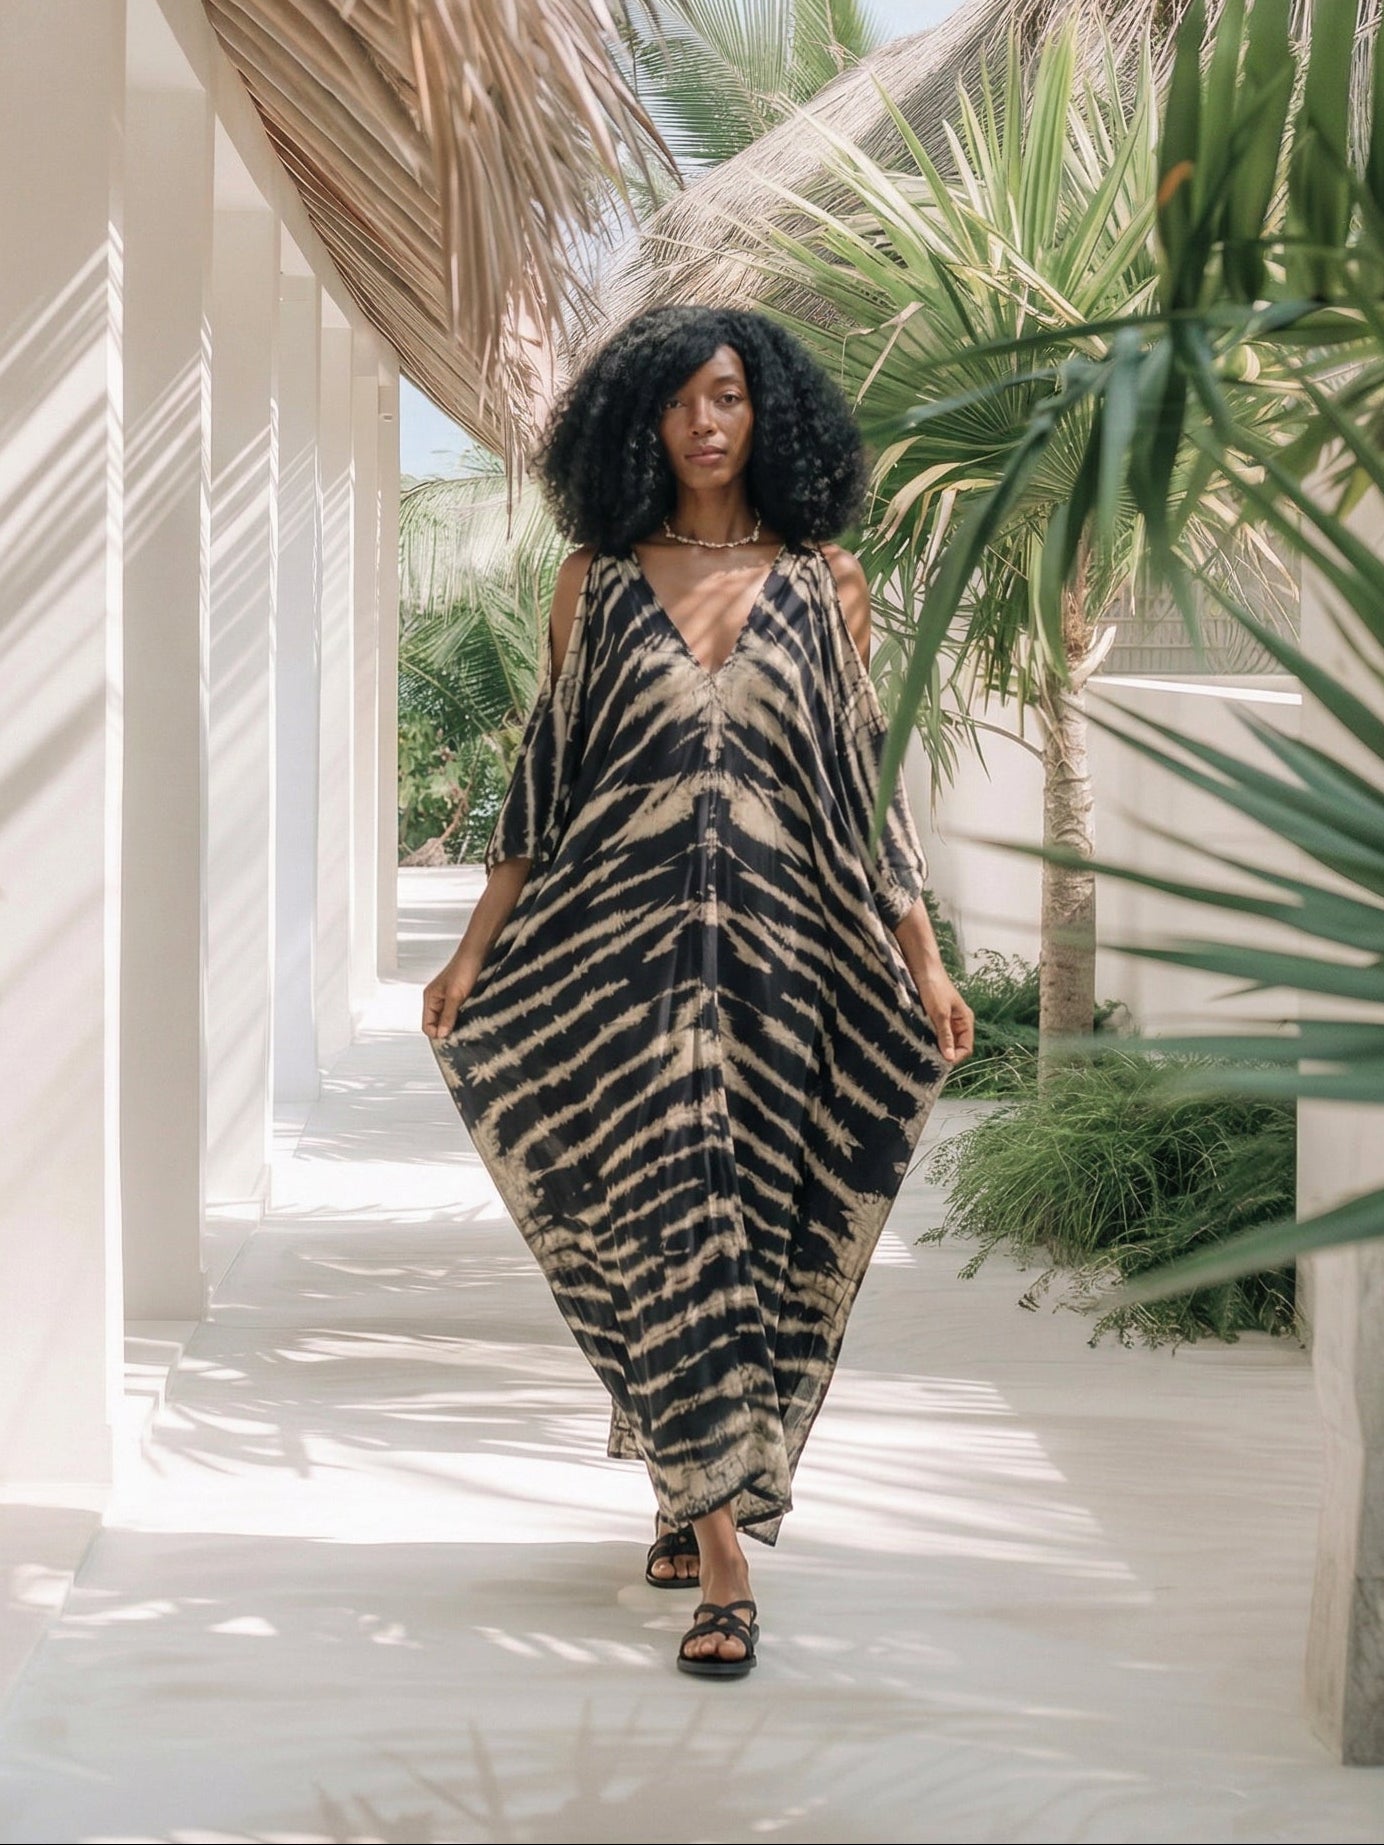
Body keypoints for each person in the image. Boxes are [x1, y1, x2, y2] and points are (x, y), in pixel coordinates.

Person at [423, 303, 974, 1680]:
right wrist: (476, 948)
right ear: (640, 423)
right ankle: (724, 1558)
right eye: (677, 402)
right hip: (622, 971)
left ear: (765, 410)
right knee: (671, 1222)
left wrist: (922, 960)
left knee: (756, 1236)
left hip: (786, 971)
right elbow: (547, 781)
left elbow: (862, 788)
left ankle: (689, 1484)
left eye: (725, 395)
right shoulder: (594, 583)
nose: (704, 422)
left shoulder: (826, 583)